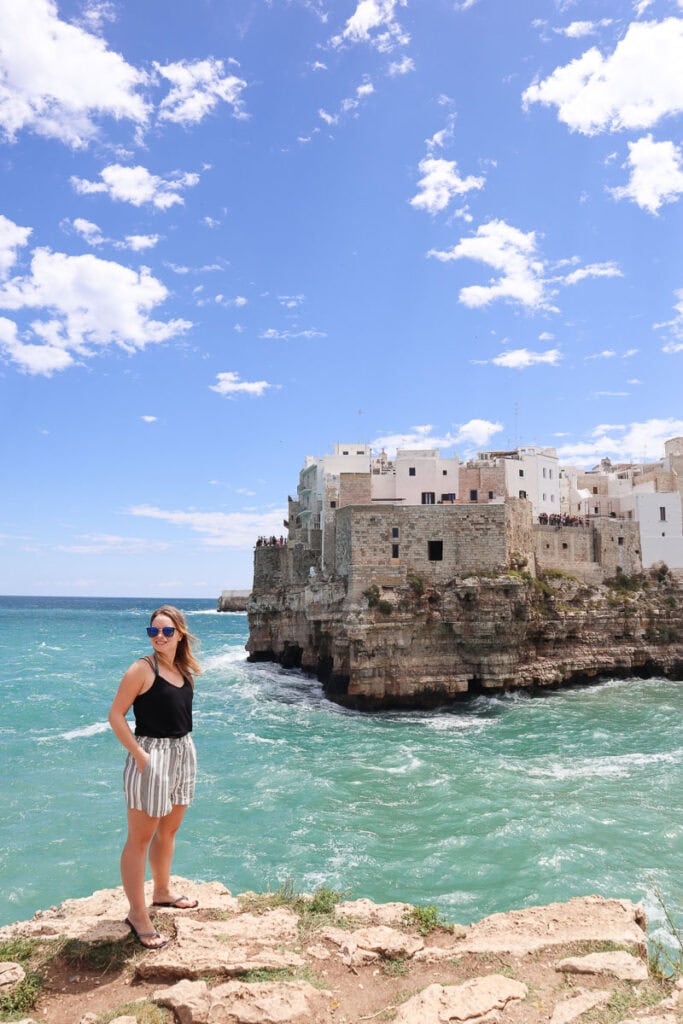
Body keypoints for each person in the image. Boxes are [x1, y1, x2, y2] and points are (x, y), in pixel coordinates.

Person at [108, 605, 201, 949]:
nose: (159, 637)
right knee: (139, 839)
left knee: (170, 828)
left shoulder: (183, 669)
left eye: (166, 631)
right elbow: (115, 716)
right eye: (153, 632)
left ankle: (162, 891)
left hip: (182, 752)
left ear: (180, 634)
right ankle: (137, 913)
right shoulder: (141, 670)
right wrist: (140, 755)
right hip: (151, 756)